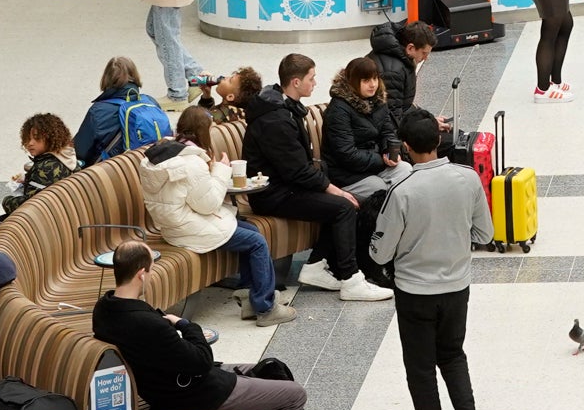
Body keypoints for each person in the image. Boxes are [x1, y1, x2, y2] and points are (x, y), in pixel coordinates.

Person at [94, 238, 312, 410]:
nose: (151, 275)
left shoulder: (104, 310)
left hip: (168, 390)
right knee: (294, 395)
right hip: (195, 395)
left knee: (267, 369)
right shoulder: (146, 323)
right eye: (151, 270)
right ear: (141, 274)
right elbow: (202, 361)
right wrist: (188, 327)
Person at [370, 109, 497, 410]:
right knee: (453, 354)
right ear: (439, 140)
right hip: (457, 286)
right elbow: (485, 232)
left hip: (414, 292)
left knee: (421, 368)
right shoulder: (468, 178)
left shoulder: (402, 190)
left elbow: (380, 253)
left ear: (407, 147)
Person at [244, 54, 386, 303]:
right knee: (343, 206)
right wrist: (335, 190)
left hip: (288, 186)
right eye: (312, 78)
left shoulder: (284, 108)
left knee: (342, 204)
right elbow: (296, 170)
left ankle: (316, 265)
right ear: (296, 82)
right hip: (272, 194)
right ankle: (351, 280)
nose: (315, 83)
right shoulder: (276, 119)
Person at [140, 106, 288, 324]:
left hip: (175, 225)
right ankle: (265, 308)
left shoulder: (166, 153)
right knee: (256, 242)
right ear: (203, 131)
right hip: (187, 229)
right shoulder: (191, 162)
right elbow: (208, 205)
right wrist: (220, 170)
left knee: (251, 229)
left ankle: (249, 296)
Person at [321, 57, 402, 194]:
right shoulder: (339, 110)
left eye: (375, 79)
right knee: (380, 189)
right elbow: (346, 154)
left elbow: (387, 131)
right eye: (366, 80)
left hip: (374, 163)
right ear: (353, 82)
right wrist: (381, 159)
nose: (373, 85)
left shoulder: (378, 100)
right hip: (345, 173)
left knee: (405, 171)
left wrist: (389, 151)